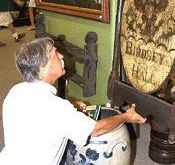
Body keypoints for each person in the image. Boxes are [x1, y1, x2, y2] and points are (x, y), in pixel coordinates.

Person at [0, 37, 146, 165]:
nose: (61, 56)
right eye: (55, 54)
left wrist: (72, 104)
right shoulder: (57, 108)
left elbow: (41, 109)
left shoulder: (15, 91)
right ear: (43, 68)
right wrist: (126, 116)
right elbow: (97, 129)